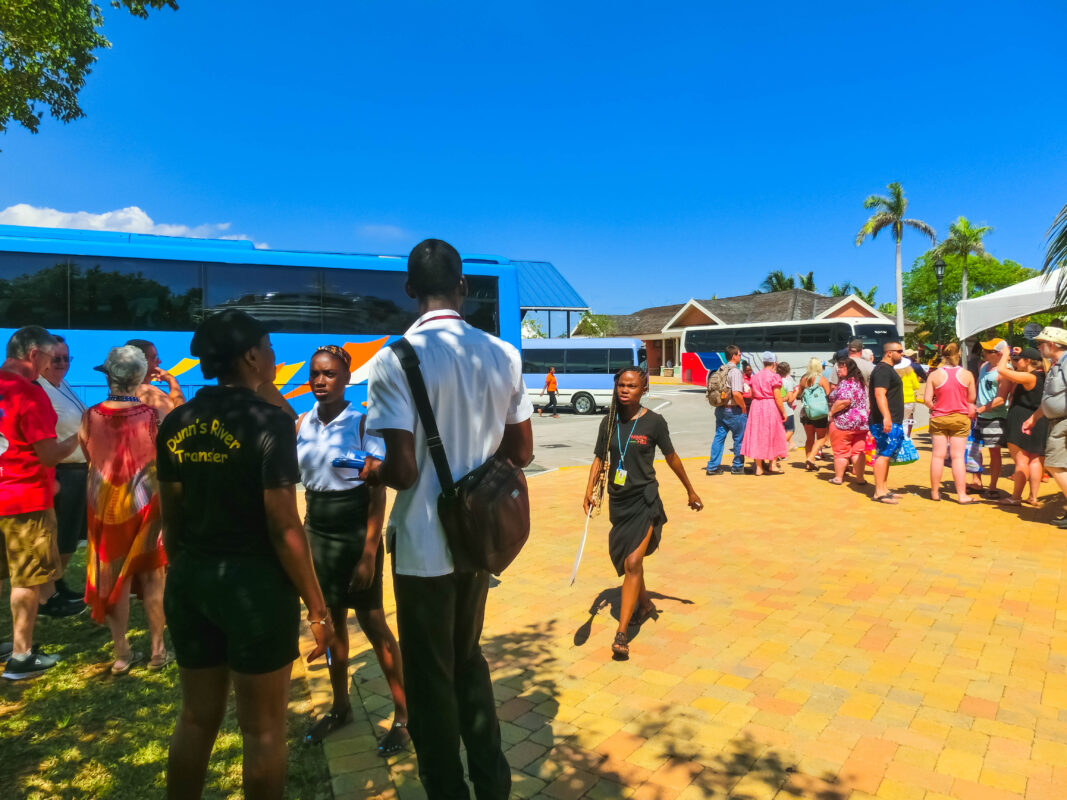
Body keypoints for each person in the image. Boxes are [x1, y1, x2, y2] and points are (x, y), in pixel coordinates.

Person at [361, 239, 533, 800]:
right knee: (467, 660)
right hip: (478, 539)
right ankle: (493, 783)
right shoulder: (502, 353)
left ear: (410, 291)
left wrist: (371, 471)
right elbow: (522, 452)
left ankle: (445, 789)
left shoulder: (394, 360)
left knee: (430, 680)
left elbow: (405, 472)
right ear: (463, 287)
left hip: (421, 547)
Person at [158, 310, 334, 799]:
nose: (277, 358)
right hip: (254, 590)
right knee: (262, 730)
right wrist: (317, 607)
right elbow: (284, 527)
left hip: (192, 581)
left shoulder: (178, 421)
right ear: (252, 356)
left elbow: (172, 520)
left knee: (196, 717)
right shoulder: (269, 423)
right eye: (270, 348)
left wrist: (186, 573)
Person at [296, 345, 409, 755]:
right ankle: (341, 707)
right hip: (317, 530)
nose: (320, 381)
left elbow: (377, 494)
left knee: (375, 624)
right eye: (315, 374)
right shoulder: (301, 423)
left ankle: (402, 716)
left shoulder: (363, 424)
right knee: (331, 623)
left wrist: (368, 552)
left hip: (356, 530)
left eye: (329, 374)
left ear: (346, 378)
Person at [584, 366, 702, 660]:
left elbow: (672, 457)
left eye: (632, 386)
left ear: (643, 390)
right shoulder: (609, 421)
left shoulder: (654, 423)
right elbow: (600, 457)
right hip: (619, 502)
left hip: (645, 500)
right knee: (629, 563)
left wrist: (690, 489)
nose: (625, 390)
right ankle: (645, 604)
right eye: (621, 385)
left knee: (633, 561)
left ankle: (622, 632)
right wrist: (588, 491)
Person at [80, 346, 168, 674]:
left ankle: (122, 653)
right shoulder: (151, 415)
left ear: (108, 376)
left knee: (110, 575)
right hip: (147, 503)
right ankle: (158, 650)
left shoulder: (91, 415)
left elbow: (88, 452)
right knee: (153, 576)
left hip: (104, 506)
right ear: (138, 377)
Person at [1, 327, 81, 681]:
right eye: (50, 358)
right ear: (34, 355)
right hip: (25, 498)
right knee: (28, 580)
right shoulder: (29, 395)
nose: (51, 365)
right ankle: (21, 655)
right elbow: (48, 455)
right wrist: (79, 438)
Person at [35, 334, 88, 603]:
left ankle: (57, 586)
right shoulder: (40, 389)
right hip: (61, 472)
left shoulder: (61, 384)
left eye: (67, 358)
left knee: (70, 536)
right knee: (60, 536)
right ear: (42, 358)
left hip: (78, 471)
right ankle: (48, 595)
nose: (62, 363)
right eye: (56, 358)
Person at [1022, 328, 1067, 527]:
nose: (1038, 347)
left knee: (1053, 464)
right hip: (1056, 421)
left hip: (1063, 421)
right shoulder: (1056, 365)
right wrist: (1034, 418)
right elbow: (1050, 399)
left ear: (1052, 344)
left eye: (1041, 343)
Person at [924, 342, 978, 504]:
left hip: (939, 417)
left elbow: (927, 400)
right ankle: (961, 495)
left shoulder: (934, 375)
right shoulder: (967, 375)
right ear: (959, 354)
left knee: (937, 456)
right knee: (958, 457)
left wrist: (936, 407)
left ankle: (934, 492)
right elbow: (971, 399)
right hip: (960, 418)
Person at [998, 346, 1048, 507]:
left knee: (1021, 461)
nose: (1016, 361)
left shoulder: (1029, 377)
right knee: (1034, 460)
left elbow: (1001, 370)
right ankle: (1033, 497)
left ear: (1027, 361)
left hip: (1022, 420)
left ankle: (1015, 497)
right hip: (1039, 420)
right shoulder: (1043, 375)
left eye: (1019, 359)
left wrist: (1005, 353)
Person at [868, 341, 906, 504]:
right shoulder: (883, 370)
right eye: (899, 351)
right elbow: (879, 394)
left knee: (887, 454)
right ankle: (879, 492)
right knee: (883, 454)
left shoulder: (888, 369)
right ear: (889, 353)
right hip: (883, 421)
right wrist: (886, 416)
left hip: (892, 420)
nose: (902, 354)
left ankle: (884, 488)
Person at [973, 338, 1012, 498]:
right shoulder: (983, 366)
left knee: (994, 452)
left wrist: (980, 409)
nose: (985, 353)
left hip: (995, 417)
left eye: (989, 351)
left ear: (999, 354)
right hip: (979, 415)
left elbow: (1001, 398)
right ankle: (976, 481)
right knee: (975, 450)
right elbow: (977, 387)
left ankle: (993, 486)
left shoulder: (1005, 371)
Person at [740, 352, 788, 476]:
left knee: (757, 435)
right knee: (773, 434)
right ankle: (772, 464)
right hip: (770, 406)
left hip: (756, 406)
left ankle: (759, 468)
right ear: (774, 363)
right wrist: (783, 411)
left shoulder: (755, 376)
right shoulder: (774, 377)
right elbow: (777, 396)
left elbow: (751, 394)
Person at [705, 345, 747, 475]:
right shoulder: (735, 372)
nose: (740, 356)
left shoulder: (721, 369)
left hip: (720, 409)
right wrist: (744, 407)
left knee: (719, 437)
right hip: (733, 410)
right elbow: (736, 393)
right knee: (739, 439)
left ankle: (712, 467)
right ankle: (737, 466)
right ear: (734, 356)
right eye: (739, 354)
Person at [827, 356, 869, 486]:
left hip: (844, 422)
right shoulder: (859, 382)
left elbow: (844, 400)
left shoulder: (846, 383)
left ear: (847, 368)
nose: (838, 370)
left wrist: (831, 412)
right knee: (858, 451)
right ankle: (860, 478)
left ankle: (838, 478)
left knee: (841, 451)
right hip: (861, 423)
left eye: (840, 367)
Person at [125, 338, 186, 422]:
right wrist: (172, 381)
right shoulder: (148, 393)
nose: (159, 361)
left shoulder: (126, 390)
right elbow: (181, 418)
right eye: (154, 357)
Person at [798, 357, 831, 471]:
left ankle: (808, 463)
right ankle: (812, 458)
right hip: (820, 413)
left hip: (807, 413)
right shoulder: (822, 380)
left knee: (809, 438)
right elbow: (828, 395)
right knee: (821, 438)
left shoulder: (803, 380)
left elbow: (800, 395)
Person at [896, 357, 922, 439]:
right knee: (905, 422)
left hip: (896, 400)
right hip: (909, 401)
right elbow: (916, 386)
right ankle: (905, 440)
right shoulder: (910, 373)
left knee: (896, 422)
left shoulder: (893, 373)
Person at [777, 362, 798, 455]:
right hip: (787, 410)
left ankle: (782, 449)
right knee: (790, 430)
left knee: (781, 431)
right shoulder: (787, 382)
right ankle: (779, 449)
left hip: (777, 408)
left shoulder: (775, 380)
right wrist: (797, 391)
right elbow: (790, 399)